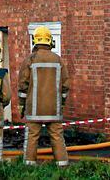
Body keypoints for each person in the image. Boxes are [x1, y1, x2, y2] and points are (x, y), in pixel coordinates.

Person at [17, 26, 70, 167]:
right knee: (57, 137)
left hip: (34, 109)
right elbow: (65, 86)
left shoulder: (30, 60)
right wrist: (62, 103)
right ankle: (63, 166)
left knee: (32, 137)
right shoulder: (58, 60)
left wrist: (21, 105)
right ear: (50, 41)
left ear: (35, 40)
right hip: (54, 109)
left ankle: (29, 166)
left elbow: (23, 85)